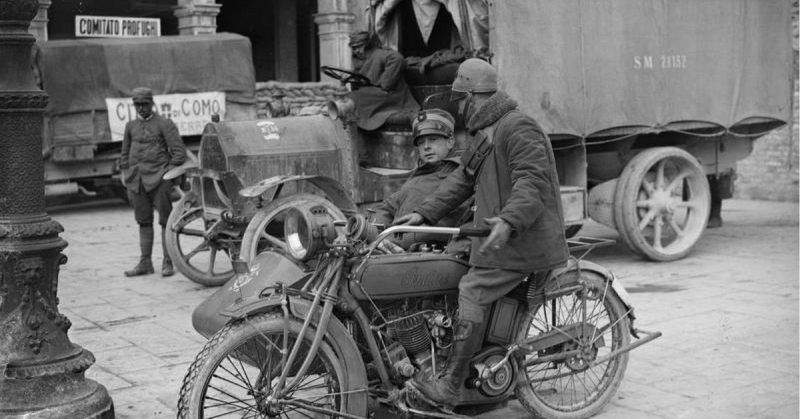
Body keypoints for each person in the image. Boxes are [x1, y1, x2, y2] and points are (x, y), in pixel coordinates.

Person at [394, 58, 569, 411]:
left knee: (471, 290)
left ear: (473, 97)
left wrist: (508, 220)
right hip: (496, 240)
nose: (458, 108)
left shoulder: (518, 128)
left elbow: (531, 183)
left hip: (522, 242)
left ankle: (452, 386)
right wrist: (424, 213)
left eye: (461, 100)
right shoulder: (482, 134)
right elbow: (460, 181)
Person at [372, 108, 468, 250]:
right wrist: (373, 233)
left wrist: (390, 242)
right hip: (391, 246)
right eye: (421, 142)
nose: (426, 147)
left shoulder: (460, 177)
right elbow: (386, 207)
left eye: (433, 140)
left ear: (450, 141)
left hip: (419, 253)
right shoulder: (419, 176)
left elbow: (443, 224)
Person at [119, 87, 187, 277]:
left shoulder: (164, 124)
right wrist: (127, 172)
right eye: (137, 105)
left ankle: (168, 262)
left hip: (160, 181)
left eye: (145, 104)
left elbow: (179, 153)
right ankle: (145, 262)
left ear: (152, 104)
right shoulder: (130, 126)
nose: (141, 108)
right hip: (137, 182)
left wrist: (166, 173)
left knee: (166, 221)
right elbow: (124, 153)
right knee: (143, 221)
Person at [348, 30, 419, 131]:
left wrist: (385, 83)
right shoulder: (360, 61)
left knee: (354, 98)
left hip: (391, 95)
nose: (357, 51)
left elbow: (397, 58)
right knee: (350, 98)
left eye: (359, 46)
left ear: (368, 45)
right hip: (374, 95)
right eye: (354, 48)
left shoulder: (379, 54)